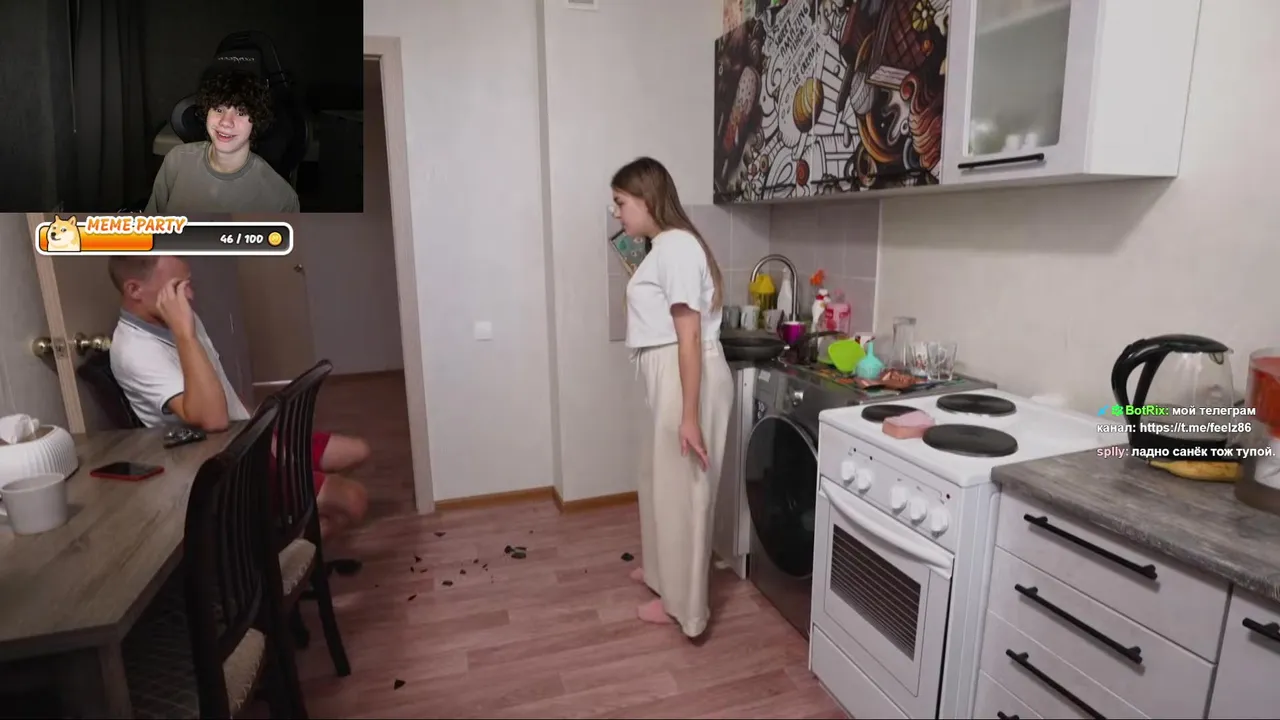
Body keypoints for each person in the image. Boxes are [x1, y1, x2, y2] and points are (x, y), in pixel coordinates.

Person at [106, 255, 368, 541]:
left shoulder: (183, 318)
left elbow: (224, 388)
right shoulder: (135, 351)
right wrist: (184, 334)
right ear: (134, 289)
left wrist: (264, 431)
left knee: (357, 451)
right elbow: (215, 420)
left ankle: (279, 512)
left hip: (248, 436)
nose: (189, 296)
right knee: (354, 501)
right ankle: (260, 550)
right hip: (226, 464)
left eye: (188, 284)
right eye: (178, 287)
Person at [612, 157, 734, 638]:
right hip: (668, 376)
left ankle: (685, 607)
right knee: (659, 481)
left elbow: (689, 337)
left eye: (621, 202)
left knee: (684, 494)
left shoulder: (678, 247)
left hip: (685, 377)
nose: (617, 212)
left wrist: (689, 415)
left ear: (646, 199)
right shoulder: (662, 247)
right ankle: (663, 576)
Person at [145, 69, 300, 213]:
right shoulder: (176, 160)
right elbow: (150, 227)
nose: (226, 122)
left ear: (257, 121)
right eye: (219, 110)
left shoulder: (281, 198)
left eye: (241, 113)